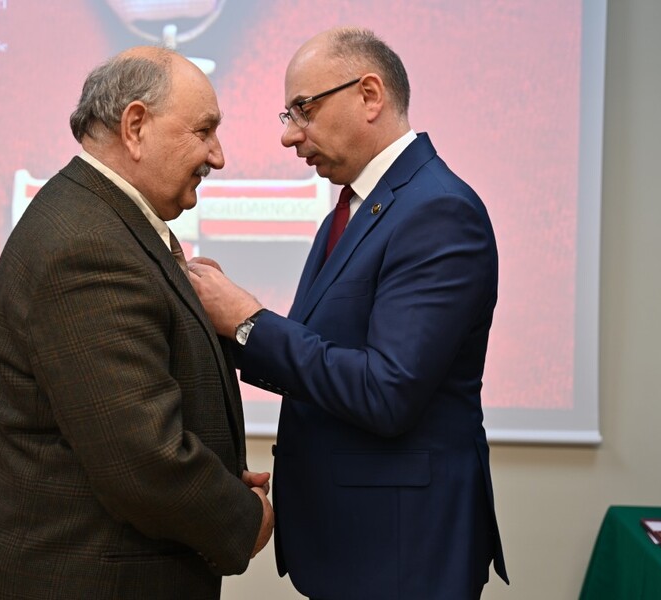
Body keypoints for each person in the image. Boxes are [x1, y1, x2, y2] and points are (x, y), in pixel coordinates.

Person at [188, 27, 508, 599]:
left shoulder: (437, 211)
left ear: (369, 95)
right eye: (288, 115)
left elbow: (387, 392)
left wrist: (248, 320)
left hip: (403, 552)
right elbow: (324, 355)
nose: (289, 135)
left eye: (304, 110)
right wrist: (215, 320)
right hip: (356, 543)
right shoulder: (359, 205)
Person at [0, 46, 273, 600]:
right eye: (204, 131)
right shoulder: (88, 246)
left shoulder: (99, 219)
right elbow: (144, 461)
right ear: (135, 127)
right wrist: (242, 518)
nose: (219, 156)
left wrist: (221, 472)